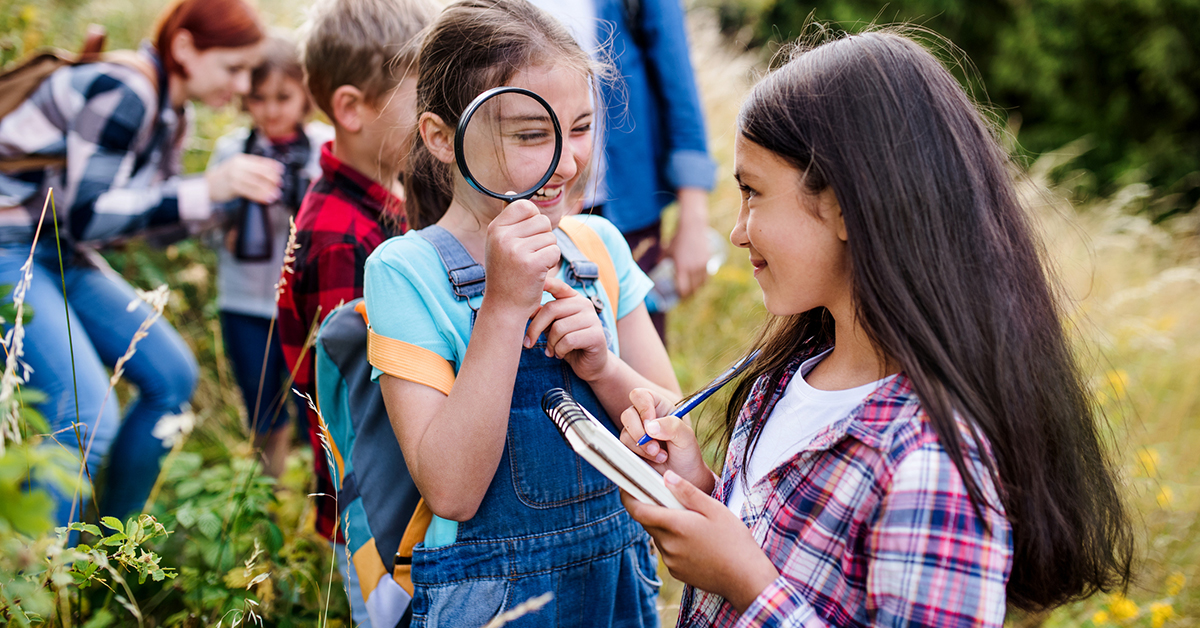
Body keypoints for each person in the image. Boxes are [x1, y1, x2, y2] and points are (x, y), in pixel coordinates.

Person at [618, 31, 1135, 627]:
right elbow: (787, 545)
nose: (737, 231)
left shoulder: (934, 463)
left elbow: (760, 576)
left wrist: (747, 585)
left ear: (841, 205)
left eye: (753, 193)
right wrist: (699, 492)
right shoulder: (787, 376)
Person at [363, 1, 681, 625]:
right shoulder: (404, 272)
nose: (567, 163)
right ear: (439, 137)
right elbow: (452, 491)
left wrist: (603, 368)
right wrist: (504, 308)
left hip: (617, 586)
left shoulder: (600, 247)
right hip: (491, 602)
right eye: (532, 134)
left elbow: (673, 438)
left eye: (583, 127)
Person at [0, 0, 273, 526]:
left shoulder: (173, 115)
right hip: (10, 244)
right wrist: (201, 190)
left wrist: (226, 203)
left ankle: (111, 546)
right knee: (81, 412)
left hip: (56, 251)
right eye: (234, 67)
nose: (242, 86)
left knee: (172, 376)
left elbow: (149, 226)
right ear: (186, 47)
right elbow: (87, 217)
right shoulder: (128, 90)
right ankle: (44, 586)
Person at [277, 0, 436, 623]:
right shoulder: (341, 237)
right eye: (420, 96)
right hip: (377, 517)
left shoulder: (381, 203)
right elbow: (361, 399)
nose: (435, 116)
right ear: (351, 108)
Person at [528, 0, 717, 340]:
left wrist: (694, 220)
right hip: (535, 205)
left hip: (628, 214)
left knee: (638, 353)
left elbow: (678, 86)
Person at [206, 36, 332, 479]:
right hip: (244, 301)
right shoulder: (232, 151)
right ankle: (266, 499)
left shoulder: (323, 148)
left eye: (283, 97)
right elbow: (205, 227)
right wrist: (232, 223)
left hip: (306, 304)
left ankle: (323, 507)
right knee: (262, 409)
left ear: (305, 96)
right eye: (258, 99)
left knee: (316, 415)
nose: (272, 110)